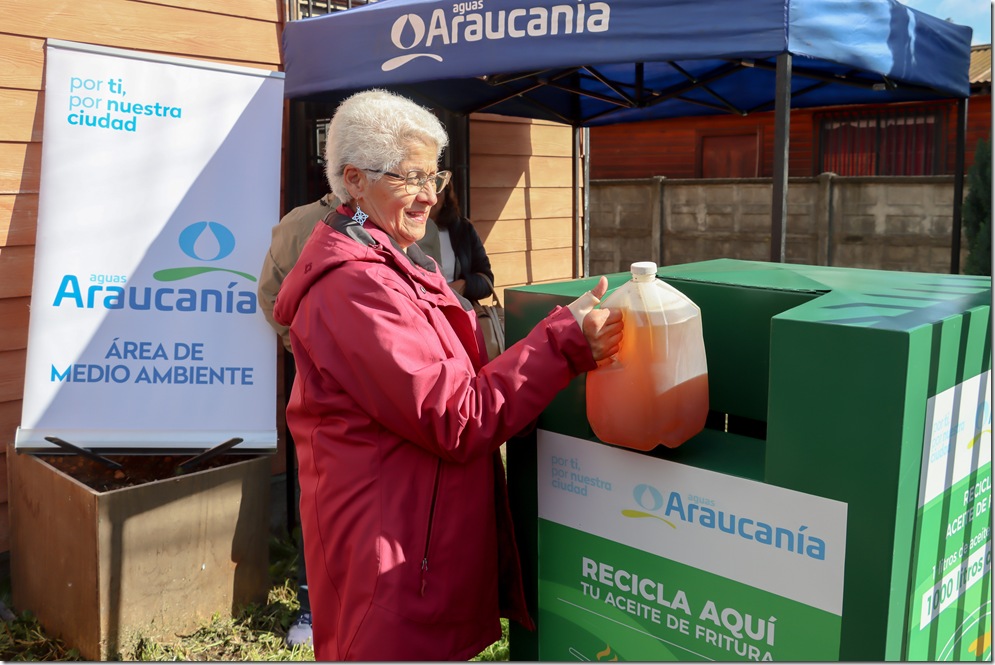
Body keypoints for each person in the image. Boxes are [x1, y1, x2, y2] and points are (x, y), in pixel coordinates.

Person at [272, 88, 623, 661]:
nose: (429, 196)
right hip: (390, 560)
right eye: (410, 178)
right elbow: (457, 415)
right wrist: (562, 343)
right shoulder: (357, 285)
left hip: (413, 544)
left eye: (434, 177)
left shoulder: (393, 262)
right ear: (354, 180)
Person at [259, 192, 446, 648]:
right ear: (357, 176)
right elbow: (432, 299)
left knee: (324, 498)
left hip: (333, 385)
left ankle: (316, 609)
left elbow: (271, 296)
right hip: (396, 387)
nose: (426, 190)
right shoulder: (415, 223)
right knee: (380, 502)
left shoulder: (297, 222)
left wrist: (309, 345)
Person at [428, 179, 495, 301]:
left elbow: (486, 281)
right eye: (422, 189)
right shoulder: (400, 232)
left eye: (437, 189)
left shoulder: (463, 230)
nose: (430, 196)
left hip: (456, 311)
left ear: (446, 196)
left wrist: (462, 286)